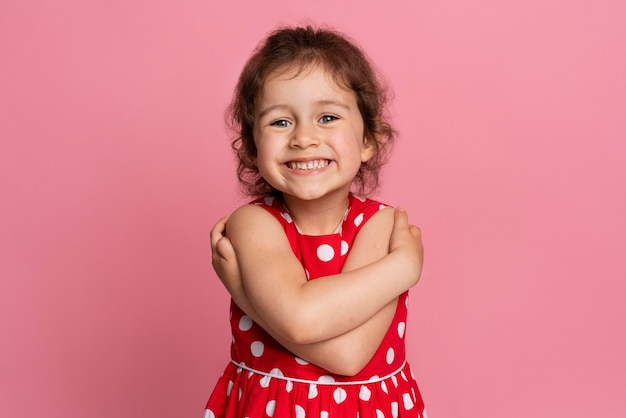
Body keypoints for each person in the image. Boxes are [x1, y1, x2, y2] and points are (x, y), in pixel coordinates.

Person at [204, 24, 427, 418]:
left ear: (368, 140)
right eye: (280, 122)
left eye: (326, 117)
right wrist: (404, 267)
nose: (304, 138)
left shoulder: (382, 224)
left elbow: (350, 357)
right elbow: (301, 320)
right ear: (253, 149)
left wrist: (246, 294)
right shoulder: (253, 224)